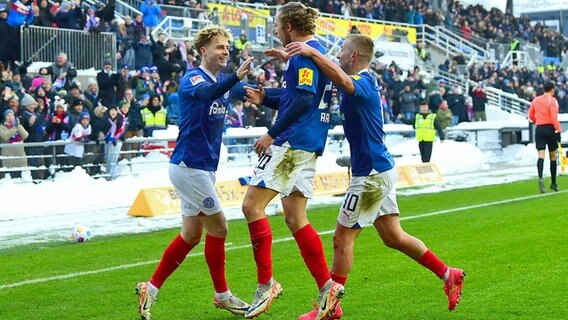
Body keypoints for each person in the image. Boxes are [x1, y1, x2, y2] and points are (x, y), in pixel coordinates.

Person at [285, 34, 465, 320]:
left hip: (370, 174)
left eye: (342, 51)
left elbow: (341, 80)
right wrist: (296, 60)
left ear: (354, 56)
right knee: (393, 236)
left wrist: (313, 53)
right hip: (379, 169)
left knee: (342, 238)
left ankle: (331, 307)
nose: (339, 55)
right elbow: (330, 79)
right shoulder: (360, 82)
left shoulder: (365, 82)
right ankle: (448, 274)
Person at [135, 25, 254, 320]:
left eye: (227, 47)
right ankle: (222, 294)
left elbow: (254, 94)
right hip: (189, 167)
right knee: (221, 228)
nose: (225, 51)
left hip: (202, 168)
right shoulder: (193, 79)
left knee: (190, 235)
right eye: (219, 47)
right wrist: (236, 78)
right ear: (203, 51)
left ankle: (149, 289)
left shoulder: (224, 80)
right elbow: (207, 94)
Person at [241, 3, 344, 320]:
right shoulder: (316, 51)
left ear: (288, 26)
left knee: (251, 206)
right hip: (310, 143)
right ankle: (329, 293)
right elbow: (301, 94)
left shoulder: (302, 54)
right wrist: (266, 97)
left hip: (292, 143)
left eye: (276, 21)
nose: (274, 27)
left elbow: (301, 99)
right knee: (295, 217)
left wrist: (272, 133)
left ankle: (265, 285)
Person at [528, 81, 562, 193]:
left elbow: (530, 115)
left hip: (539, 129)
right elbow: (554, 117)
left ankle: (541, 178)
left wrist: (537, 121)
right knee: (553, 156)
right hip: (549, 129)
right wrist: (558, 130)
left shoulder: (536, 100)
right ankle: (553, 183)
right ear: (552, 90)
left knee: (541, 155)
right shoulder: (552, 101)